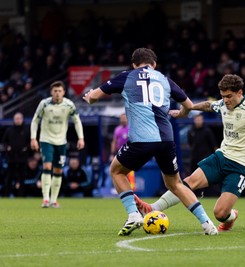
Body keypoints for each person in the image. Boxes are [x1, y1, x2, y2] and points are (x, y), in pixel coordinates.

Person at [134, 74, 245, 232]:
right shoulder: (223, 103)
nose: (225, 100)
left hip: (241, 166)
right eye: (223, 96)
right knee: (189, 181)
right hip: (222, 157)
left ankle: (232, 216)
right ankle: (152, 208)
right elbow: (209, 105)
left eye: (229, 96)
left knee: (220, 214)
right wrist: (189, 108)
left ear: (240, 92)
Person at [82, 47, 218, 236]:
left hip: (142, 138)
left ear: (134, 64)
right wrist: (181, 113)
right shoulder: (164, 79)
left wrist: (89, 97)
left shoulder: (127, 76)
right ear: (154, 64)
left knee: (116, 171)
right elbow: (188, 105)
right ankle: (207, 223)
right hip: (166, 138)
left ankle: (133, 215)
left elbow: (94, 97)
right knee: (176, 184)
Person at [31, 80, 85, 208]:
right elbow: (35, 121)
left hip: (61, 142)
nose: (57, 93)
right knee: (47, 166)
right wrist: (33, 138)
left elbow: (77, 121)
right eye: (55, 91)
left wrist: (81, 138)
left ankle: (53, 200)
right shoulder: (44, 104)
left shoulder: (69, 105)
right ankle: (45, 199)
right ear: (51, 92)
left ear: (64, 92)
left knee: (58, 169)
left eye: (59, 91)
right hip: (46, 140)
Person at [2, 112, 31, 197]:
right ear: (14, 120)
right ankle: (6, 195)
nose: (18, 120)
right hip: (11, 158)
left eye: (19, 118)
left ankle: (21, 196)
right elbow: (4, 142)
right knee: (9, 177)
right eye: (16, 119)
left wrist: (26, 148)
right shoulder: (9, 130)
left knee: (22, 178)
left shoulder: (26, 130)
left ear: (22, 119)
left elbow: (30, 143)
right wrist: (7, 147)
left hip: (23, 158)